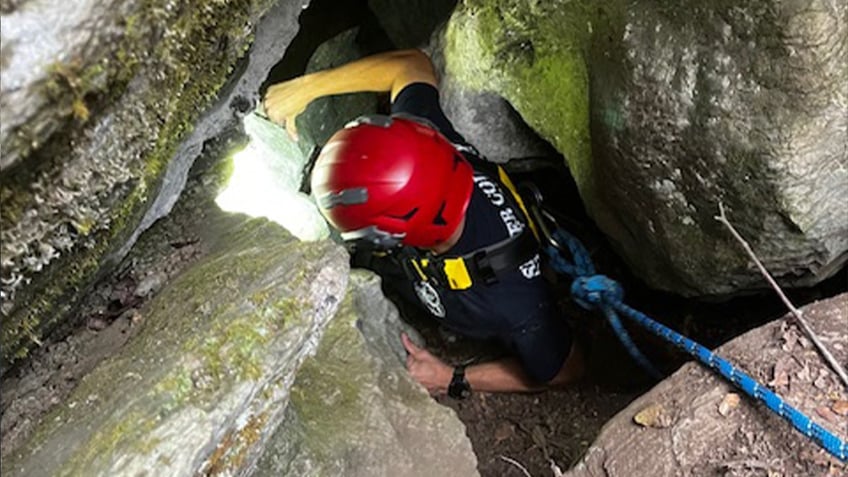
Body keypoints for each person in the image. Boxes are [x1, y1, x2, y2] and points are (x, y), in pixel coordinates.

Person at [263, 49, 583, 397]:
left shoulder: (511, 299)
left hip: (473, 283)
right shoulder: (423, 146)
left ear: (390, 237)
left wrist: (453, 377)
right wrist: (308, 88)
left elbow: (567, 368)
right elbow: (410, 65)